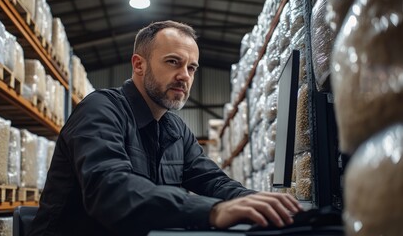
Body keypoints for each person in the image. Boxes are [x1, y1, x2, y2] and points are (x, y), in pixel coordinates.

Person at [28, 20, 303, 236]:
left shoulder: (175, 129)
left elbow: (212, 180)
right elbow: (111, 190)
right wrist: (214, 211)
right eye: (173, 62)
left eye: (192, 67)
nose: (184, 75)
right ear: (139, 64)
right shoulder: (100, 110)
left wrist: (257, 202)